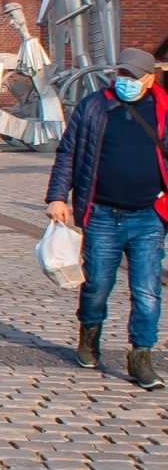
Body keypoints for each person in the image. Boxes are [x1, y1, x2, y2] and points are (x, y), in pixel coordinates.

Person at [45, 47, 168, 390]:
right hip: (101, 214)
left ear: (149, 79)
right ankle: (89, 331)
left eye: (132, 76)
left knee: (147, 290)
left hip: (148, 216)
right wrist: (57, 196)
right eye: (121, 74)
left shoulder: (163, 110)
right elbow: (68, 152)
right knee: (97, 284)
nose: (124, 80)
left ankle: (141, 355)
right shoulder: (94, 106)